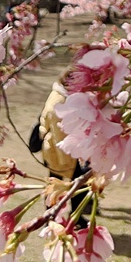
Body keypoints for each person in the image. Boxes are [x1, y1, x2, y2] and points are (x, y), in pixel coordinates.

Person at [35, 69, 90, 226]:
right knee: (68, 183)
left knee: (56, 183)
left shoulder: (60, 95)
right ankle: (66, 216)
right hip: (59, 152)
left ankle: (54, 216)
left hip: (56, 150)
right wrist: (68, 160)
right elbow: (61, 137)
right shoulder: (59, 102)